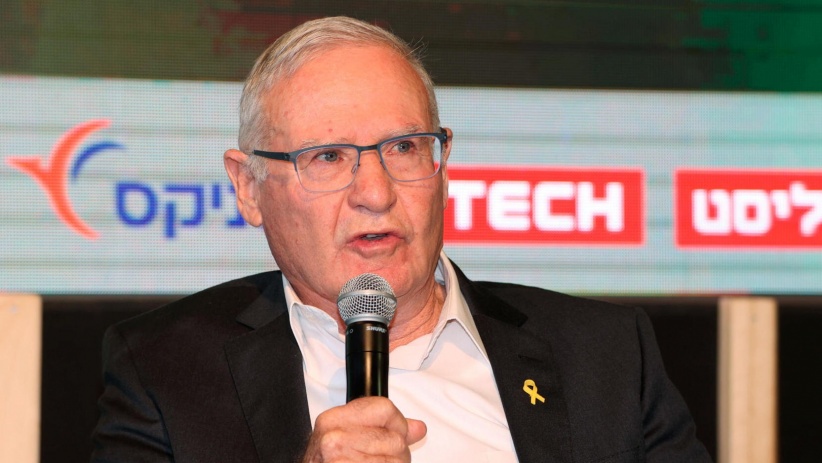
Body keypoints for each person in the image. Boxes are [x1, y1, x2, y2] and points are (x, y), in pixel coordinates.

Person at [91, 16, 711, 463]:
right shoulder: (165, 370)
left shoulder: (605, 355)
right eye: (329, 156)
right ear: (248, 187)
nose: (375, 192)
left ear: (443, 165)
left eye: (405, 147)